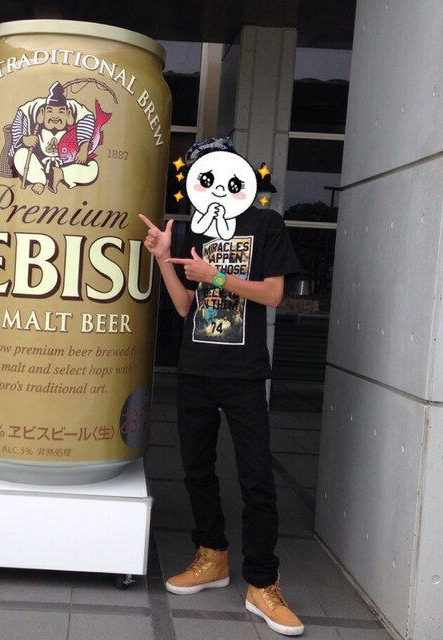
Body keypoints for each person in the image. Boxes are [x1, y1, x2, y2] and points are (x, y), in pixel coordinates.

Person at [140, 137, 304, 636]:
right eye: (199, 174)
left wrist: (216, 276)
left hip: (245, 373)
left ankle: (263, 583)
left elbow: (272, 294)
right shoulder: (191, 228)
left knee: (257, 479)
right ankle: (211, 556)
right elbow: (184, 306)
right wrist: (164, 258)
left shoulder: (265, 223)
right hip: (196, 370)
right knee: (196, 470)